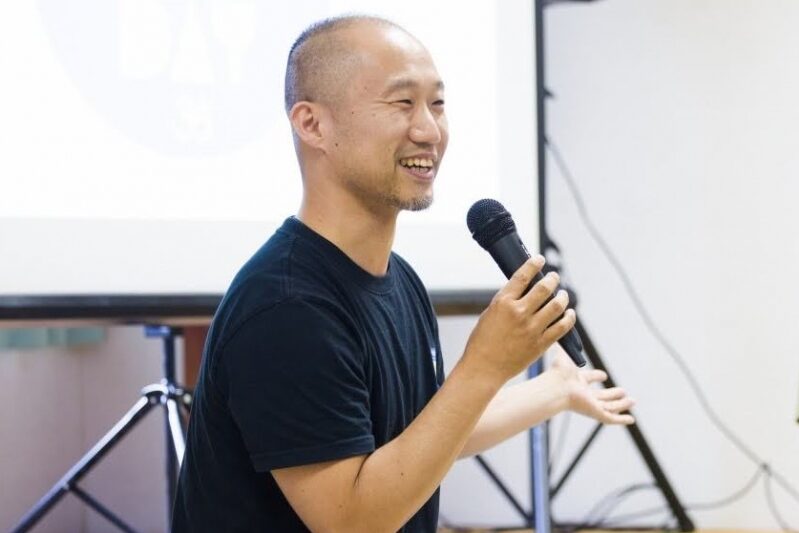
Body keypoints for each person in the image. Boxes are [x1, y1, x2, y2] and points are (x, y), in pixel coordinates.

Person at [172, 15, 635, 533]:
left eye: (437, 104)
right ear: (312, 124)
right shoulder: (287, 307)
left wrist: (554, 390)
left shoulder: (400, 280)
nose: (429, 130)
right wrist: (484, 365)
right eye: (402, 103)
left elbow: (421, 434)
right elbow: (352, 522)